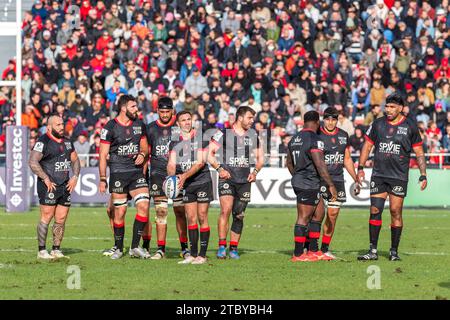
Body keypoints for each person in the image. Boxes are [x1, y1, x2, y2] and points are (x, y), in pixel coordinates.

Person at [357, 93, 428, 261]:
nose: (388, 110)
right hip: (379, 175)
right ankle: (372, 251)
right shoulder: (378, 124)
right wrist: (360, 167)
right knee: (375, 210)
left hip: (398, 176)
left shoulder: (410, 126)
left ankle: (393, 251)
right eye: (387, 106)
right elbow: (367, 146)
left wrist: (423, 174)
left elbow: (419, 153)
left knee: (395, 211)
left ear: (401, 108)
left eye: (392, 107)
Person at [208, 106, 265, 259]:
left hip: (244, 180)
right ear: (240, 118)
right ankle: (221, 246)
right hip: (227, 178)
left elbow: (261, 158)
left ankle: (233, 249)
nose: (252, 121)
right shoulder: (223, 133)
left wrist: (255, 172)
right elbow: (209, 154)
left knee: (239, 215)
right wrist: (220, 169)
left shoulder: (253, 136)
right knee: (225, 211)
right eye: (249, 118)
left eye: (253, 118)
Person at [98, 95, 150, 260]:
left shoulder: (139, 125)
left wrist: (142, 154)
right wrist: (102, 178)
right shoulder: (110, 127)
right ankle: (119, 248)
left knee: (144, 205)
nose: (137, 109)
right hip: (118, 172)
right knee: (120, 212)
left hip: (136, 173)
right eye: (133, 106)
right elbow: (102, 155)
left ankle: (134, 247)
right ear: (123, 108)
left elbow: (145, 148)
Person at [286, 110, 337, 262]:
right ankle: (298, 254)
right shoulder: (315, 139)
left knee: (319, 213)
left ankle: (313, 250)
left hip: (305, 181)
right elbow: (320, 164)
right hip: (308, 182)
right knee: (303, 218)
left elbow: (289, 163)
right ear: (317, 122)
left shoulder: (294, 139)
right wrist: (331, 185)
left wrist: (297, 174)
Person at [29, 115, 80, 260]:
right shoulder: (43, 141)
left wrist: (75, 177)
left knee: (61, 218)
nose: (62, 127)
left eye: (62, 124)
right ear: (49, 127)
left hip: (65, 185)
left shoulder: (68, 142)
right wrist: (45, 178)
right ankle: (42, 250)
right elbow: (33, 162)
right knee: (46, 216)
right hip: (49, 186)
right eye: (58, 125)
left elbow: (75, 160)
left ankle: (56, 249)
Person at [145, 97, 189, 259]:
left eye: (167, 111)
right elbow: (145, 153)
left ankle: (184, 248)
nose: (164, 114)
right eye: (161, 111)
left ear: (172, 111)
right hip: (157, 175)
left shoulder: (179, 129)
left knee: (180, 211)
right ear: (157, 111)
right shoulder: (150, 129)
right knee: (161, 212)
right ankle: (160, 249)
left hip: (177, 176)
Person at [316, 107, 361, 260]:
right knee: (316, 215)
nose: (330, 122)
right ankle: (311, 248)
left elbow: (347, 159)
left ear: (337, 120)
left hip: (338, 180)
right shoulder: (317, 134)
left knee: (333, 215)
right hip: (319, 179)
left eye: (333, 119)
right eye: (328, 119)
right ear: (324, 119)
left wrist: (356, 178)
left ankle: (325, 249)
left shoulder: (343, 135)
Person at [167, 111, 212, 265]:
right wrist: (171, 177)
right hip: (186, 184)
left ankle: (202, 255)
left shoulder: (200, 137)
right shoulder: (174, 142)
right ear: (178, 124)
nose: (187, 122)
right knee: (191, 218)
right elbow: (172, 164)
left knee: (202, 217)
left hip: (202, 181)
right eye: (183, 120)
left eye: (188, 119)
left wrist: (184, 176)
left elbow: (200, 163)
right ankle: (192, 254)